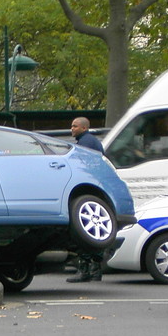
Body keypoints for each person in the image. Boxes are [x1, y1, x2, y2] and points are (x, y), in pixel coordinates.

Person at [67, 117, 105, 283]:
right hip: (97, 191)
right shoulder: (93, 141)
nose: (71, 129)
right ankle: (95, 270)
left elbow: (79, 166)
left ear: (83, 127)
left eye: (74, 126)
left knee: (82, 232)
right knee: (94, 230)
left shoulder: (85, 143)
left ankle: (85, 271)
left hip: (87, 191)